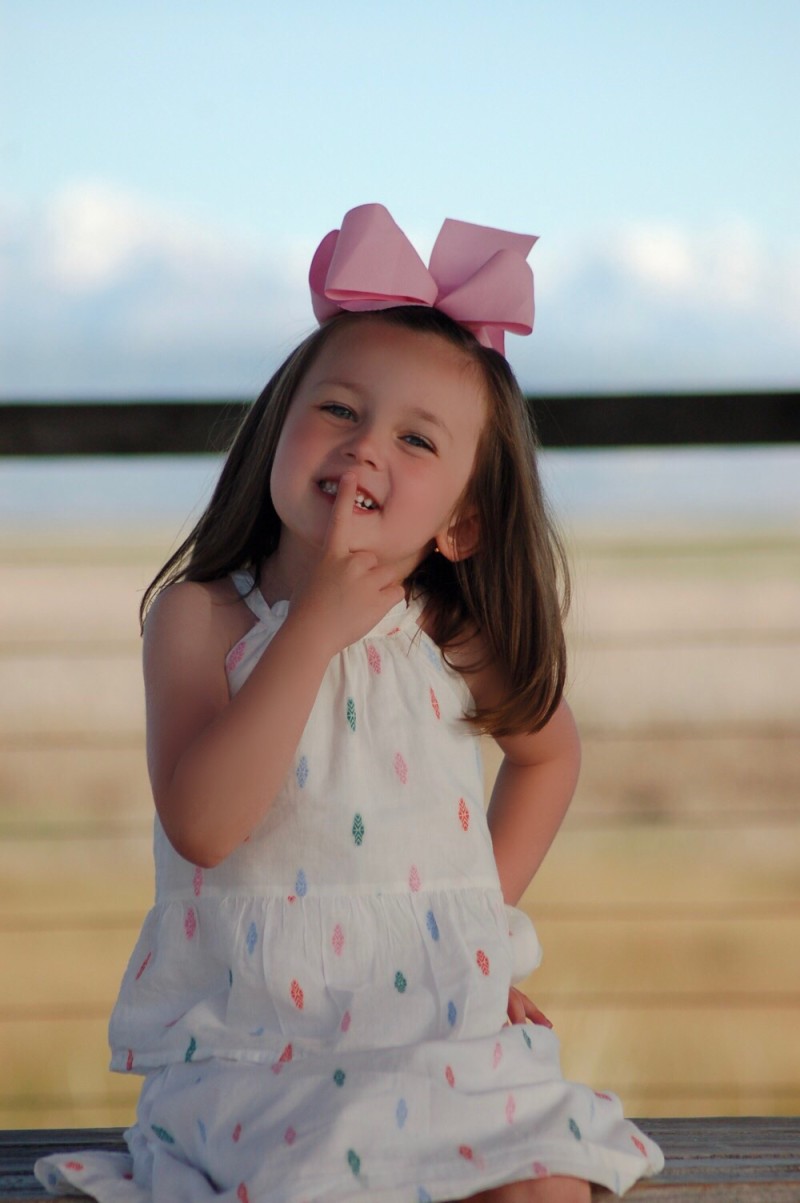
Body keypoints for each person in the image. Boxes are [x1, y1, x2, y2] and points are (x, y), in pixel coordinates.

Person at [36, 204, 663, 1202]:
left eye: (416, 438)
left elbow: (548, 753)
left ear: (460, 523)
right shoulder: (202, 621)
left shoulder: (447, 635)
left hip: (432, 1038)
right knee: (317, 1175)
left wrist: (469, 936)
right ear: (277, 431)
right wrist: (312, 629)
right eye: (337, 409)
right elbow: (203, 825)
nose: (367, 446)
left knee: (545, 1181)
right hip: (257, 1055)